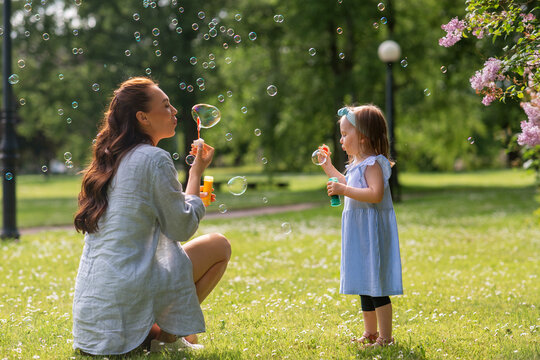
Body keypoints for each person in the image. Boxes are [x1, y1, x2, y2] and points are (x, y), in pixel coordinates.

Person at [72, 77, 231, 356]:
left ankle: (157, 331)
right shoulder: (153, 158)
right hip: (126, 304)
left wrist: (192, 192)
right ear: (142, 117)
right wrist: (195, 175)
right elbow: (181, 226)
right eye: (166, 105)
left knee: (176, 270)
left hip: (93, 325)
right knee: (219, 245)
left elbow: (157, 213)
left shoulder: (112, 158)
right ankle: (163, 337)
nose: (175, 112)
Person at [319, 104, 403, 348]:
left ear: (364, 138)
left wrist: (344, 190)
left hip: (371, 233)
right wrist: (328, 167)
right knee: (363, 284)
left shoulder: (374, 163)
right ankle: (371, 332)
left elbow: (375, 194)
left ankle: (386, 337)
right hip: (358, 233)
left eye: (346, 134)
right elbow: (348, 182)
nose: (341, 139)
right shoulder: (357, 164)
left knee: (376, 284)